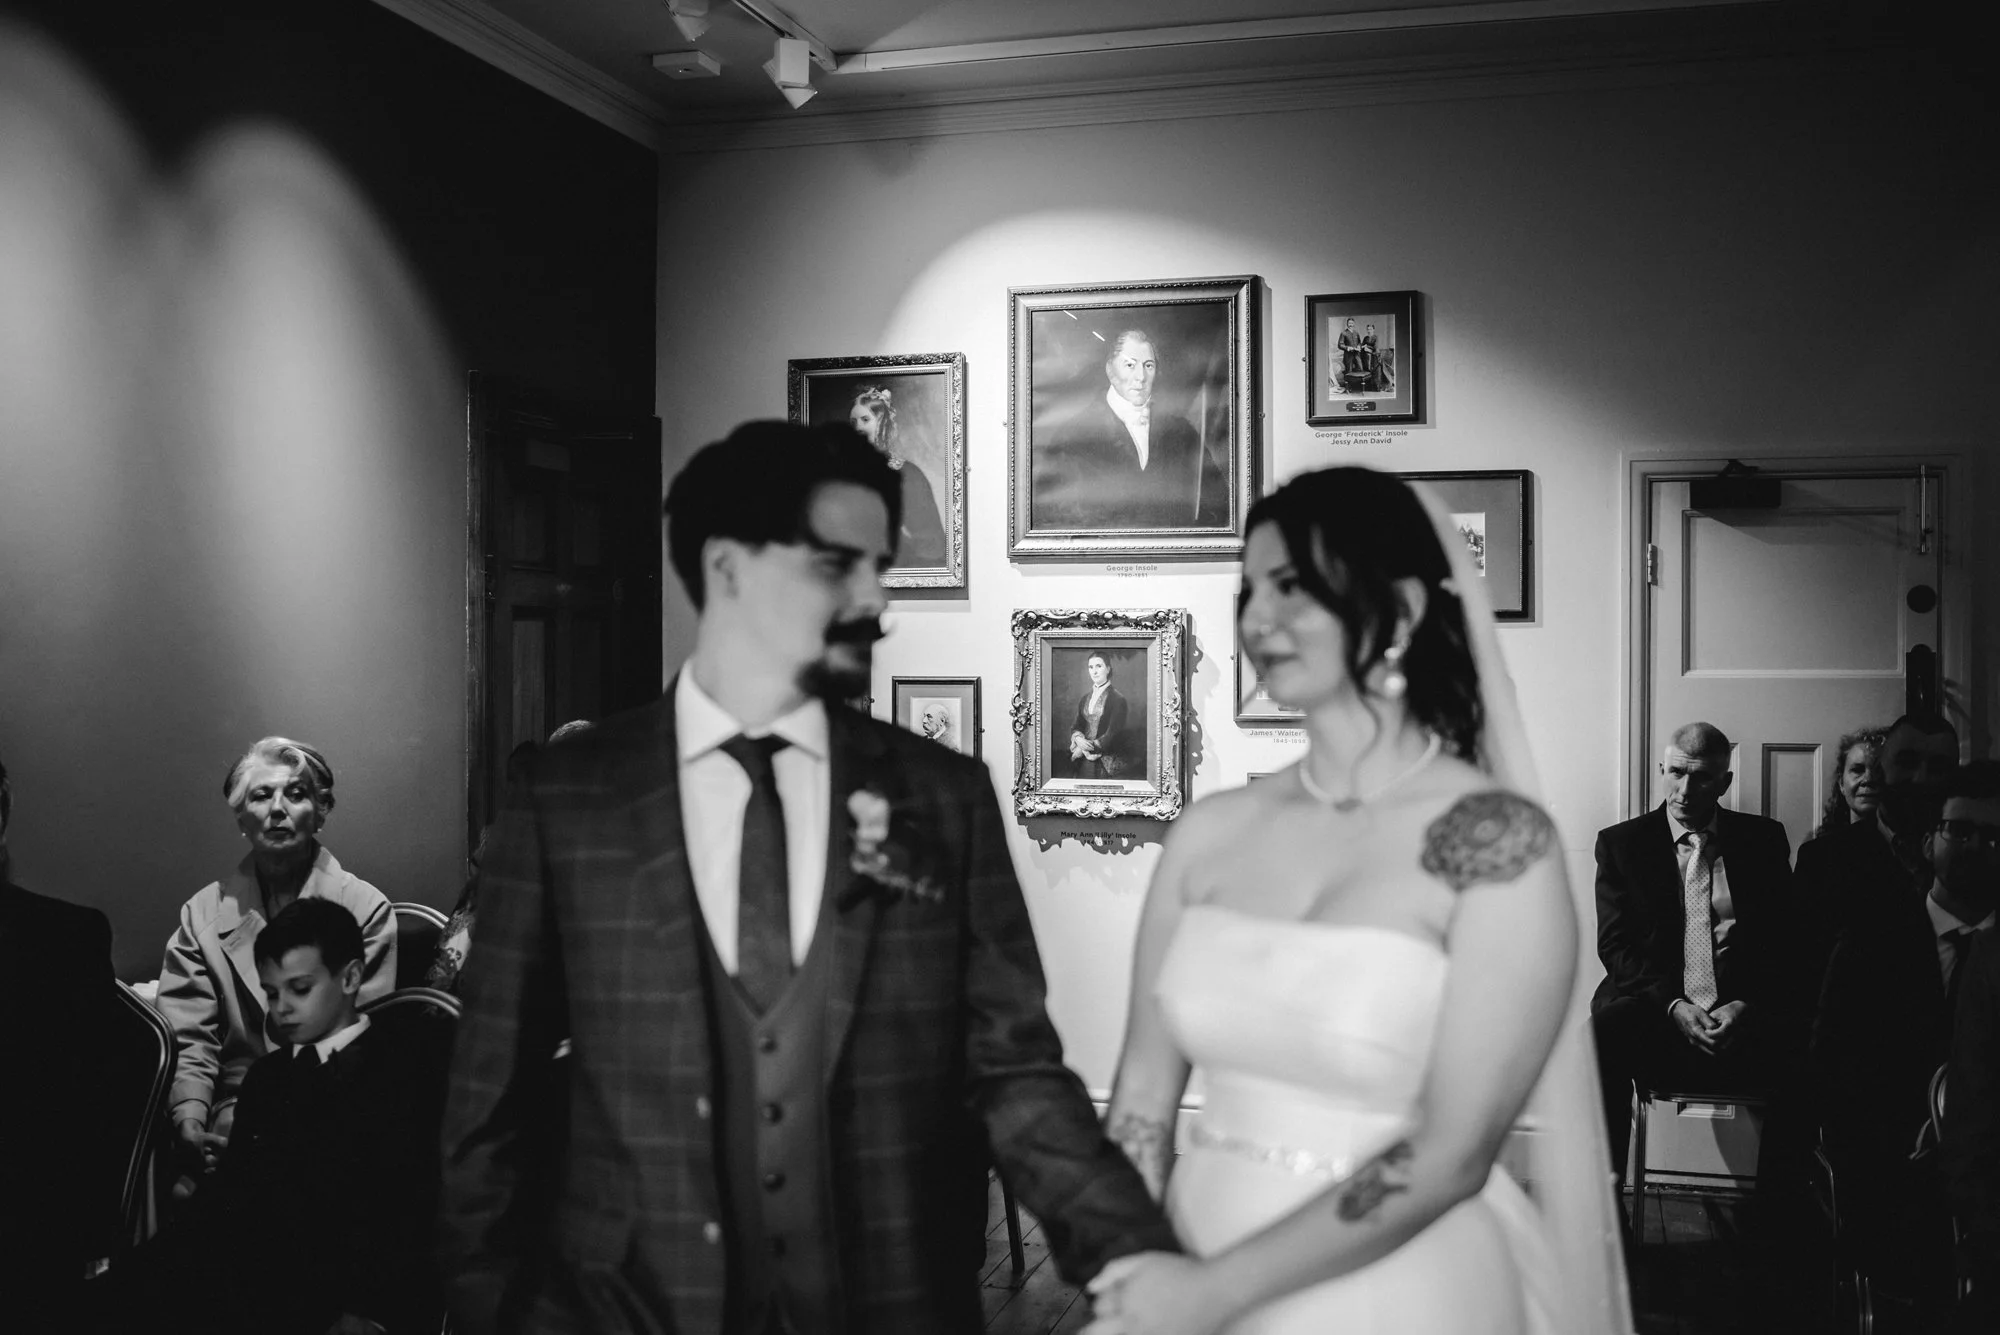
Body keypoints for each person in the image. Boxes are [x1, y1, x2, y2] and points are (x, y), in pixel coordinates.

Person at [439, 419, 1174, 1334]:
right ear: (728, 567)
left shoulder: (942, 796)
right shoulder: (569, 799)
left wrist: (1134, 1252)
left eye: (882, 568)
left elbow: (1014, 1069)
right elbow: (488, 1105)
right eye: (837, 565)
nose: (878, 602)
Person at [1084, 466, 1628, 1335]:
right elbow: (1144, 1096)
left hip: (1397, 1285)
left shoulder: (1496, 841)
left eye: (1293, 586)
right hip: (1184, 1250)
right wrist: (1131, 1254)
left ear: (1403, 610)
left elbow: (1453, 1150)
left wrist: (1215, 1291)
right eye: (1248, 589)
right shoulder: (1208, 832)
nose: (1258, 618)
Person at [91, 897, 446, 1335]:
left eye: (300, 989)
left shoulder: (399, 1072)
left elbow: (408, 1211)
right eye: (272, 992)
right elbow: (229, 1197)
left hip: (338, 1285)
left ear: (352, 977)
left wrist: (369, 1310)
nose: (282, 1008)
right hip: (260, 1272)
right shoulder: (269, 1076)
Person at [155, 737, 395, 1190]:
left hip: (331, 1121)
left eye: (297, 794)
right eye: (262, 795)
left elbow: (360, 1052)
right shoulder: (202, 915)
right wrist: (189, 1118)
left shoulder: (366, 910)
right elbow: (190, 1039)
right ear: (241, 817)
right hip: (228, 1113)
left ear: (321, 812)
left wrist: (263, 1140)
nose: (279, 809)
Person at [1815, 760, 1998, 1317]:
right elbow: (1829, 1073)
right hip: (1893, 1167)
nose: (1974, 847)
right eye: (1958, 831)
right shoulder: (1869, 947)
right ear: (1927, 842)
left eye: (1993, 837)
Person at [1589, 722, 1795, 1191]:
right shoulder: (1622, 845)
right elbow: (1616, 947)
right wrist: (1674, 1006)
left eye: (1701, 777)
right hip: (1655, 1012)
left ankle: (1779, 1216)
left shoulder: (1763, 841)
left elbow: (1785, 942)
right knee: (1600, 1034)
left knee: (1810, 1037)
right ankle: (1604, 1203)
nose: (1685, 790)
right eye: (1676, 773)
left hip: (1741, 1015)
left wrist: (1746, 1004)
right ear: (1663, 769)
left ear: (1724, 782)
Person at [0, 752, 118, 1334]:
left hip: (31, 1224)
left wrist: (92, 1233)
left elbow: (93, 1101)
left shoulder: (67, 940)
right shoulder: (68, 938)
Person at [1034, 328, 1228, 531]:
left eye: (1148, 366)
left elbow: (1218, 504)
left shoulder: (1182, 433)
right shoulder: (1072, 436)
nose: (1141, 377)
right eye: (1130, 365)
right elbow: (1051, 520)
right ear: (1110, 370)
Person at [849, 385, 947, 569]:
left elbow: (931, 542)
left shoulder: (908, 474)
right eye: (853, 422)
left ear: (883, 423)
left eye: (865, 420)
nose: (858, 428)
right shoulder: (839, 472)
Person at [1813, 726, 1886, 840]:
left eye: (1878, 770)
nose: (1868, 779)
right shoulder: (1818, 851)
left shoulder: (1907, 850)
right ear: (1841, 783)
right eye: (1857, 770)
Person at [1067, 652, 1133, 779]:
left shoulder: (1118, 699)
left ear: (1108, 669)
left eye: (1099, 666)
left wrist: (1084, 749)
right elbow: (1077, 725)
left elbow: (1112, 733)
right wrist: (1078, 739)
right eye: (1091, 667)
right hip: (1083, 760)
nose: (1094, 671)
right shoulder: (1085, 698)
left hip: (1105, 760)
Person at [1334, 317, 1363, 389]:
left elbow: (1360, 342)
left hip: (1357, 355)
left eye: (1352, 323)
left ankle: (1357, 387)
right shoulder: (1343, 333)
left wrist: (1359, 346)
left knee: (1360, 368)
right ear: (1347, 324)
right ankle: (1349, 388)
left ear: (1354, 324)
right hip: (1348, 355)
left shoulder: (1356, 333)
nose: (1351, 325)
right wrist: (1347, 348)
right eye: (1349, 323)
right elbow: (1340, 345)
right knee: (1349, 371)